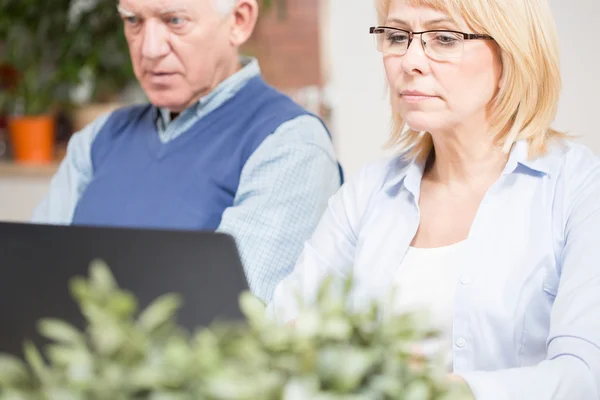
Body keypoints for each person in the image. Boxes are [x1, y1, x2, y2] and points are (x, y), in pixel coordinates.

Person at [268, 0, 600, 398]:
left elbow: (583, 376)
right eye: (396, 36)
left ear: (513, 51)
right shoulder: (368, 192)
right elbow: (283, 328)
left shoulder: (578, 188)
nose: (410, 62)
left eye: (443, 39)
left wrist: (421, 389)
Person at [32, 0, 343, 304]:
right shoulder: (97, 139)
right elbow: (30, 278)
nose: (149, 49)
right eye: (133, 21)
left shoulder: (290, 144)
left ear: (239, 21)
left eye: (174, 21)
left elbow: (227, 322)